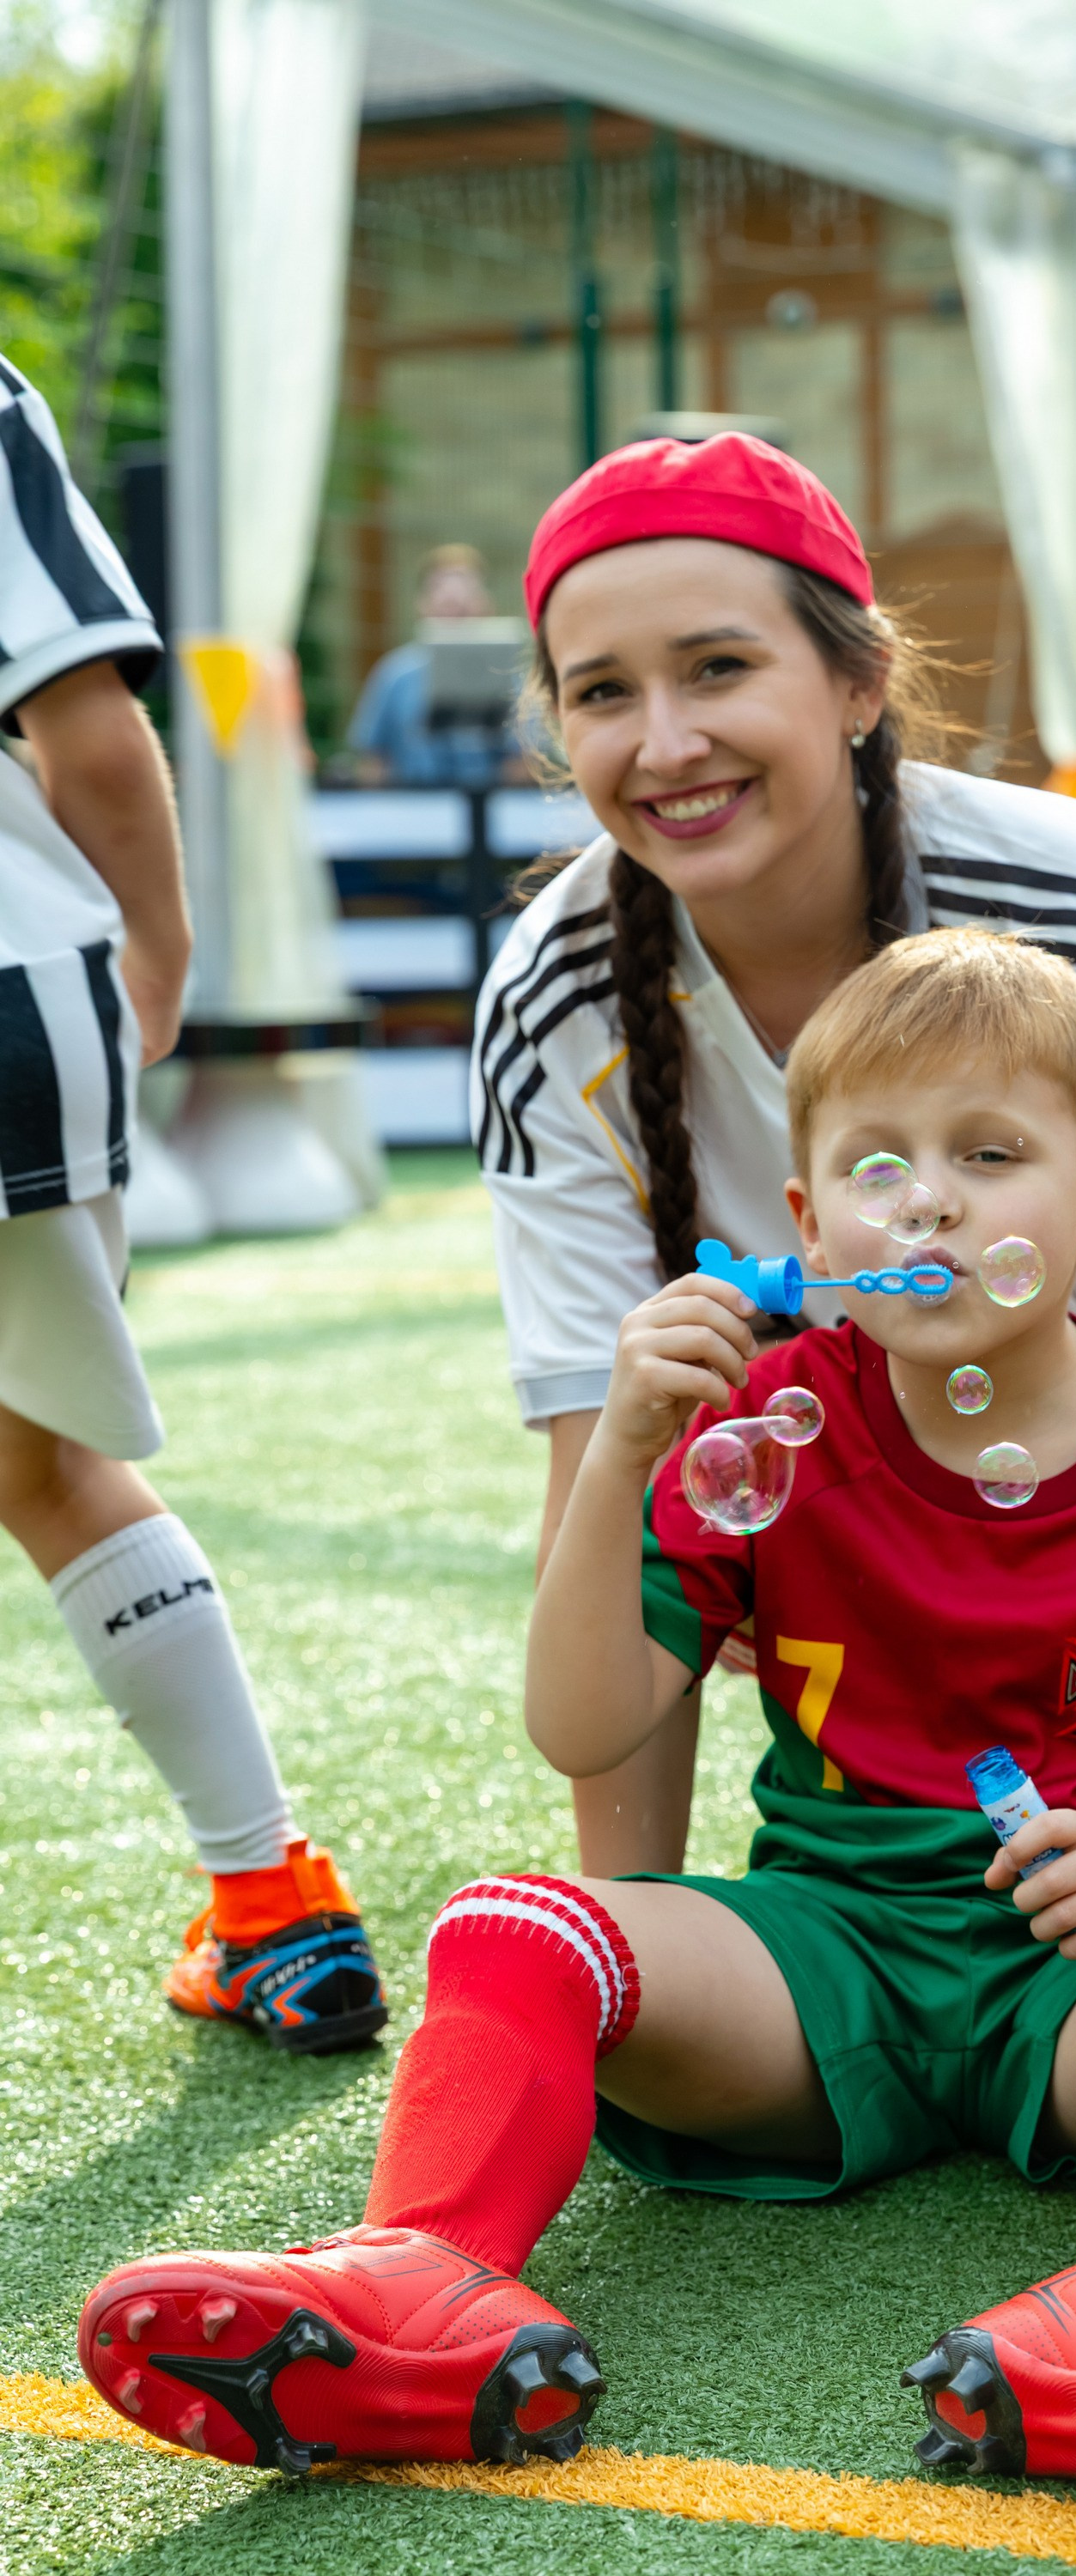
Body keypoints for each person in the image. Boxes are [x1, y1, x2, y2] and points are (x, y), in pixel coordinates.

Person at [79, 930, 1076, 2515]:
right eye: (878, 1166)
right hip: (816, 1962)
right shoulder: (768, 1432)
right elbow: (581, 1725)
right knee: (518, 1923)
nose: (931, 1204)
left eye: (993, 1157)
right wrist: (626, 1446)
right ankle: (410, 2280)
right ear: (807, 1223)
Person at [470, 430, 1076, 1880]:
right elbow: (610, 1461)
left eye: (717, 668)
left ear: (857, 680)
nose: (665, 742)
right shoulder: (549, 999)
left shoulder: (1069, 894)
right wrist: (635, 1926)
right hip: (831, 1566)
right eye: (603, 695)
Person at [0, 353, 385, 2052]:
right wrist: (154, 950)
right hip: (20, 997)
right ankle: (272, 1906)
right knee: (49, 1455)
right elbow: (89, 724)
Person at [347, 543, 520, 787]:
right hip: (414, 811)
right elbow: (374, 761)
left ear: (486, 602)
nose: (454, 596)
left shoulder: (508, 673)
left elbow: (525, 761)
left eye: (466, 587)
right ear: (422, 603)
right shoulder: (395, 673)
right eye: (441, 587)